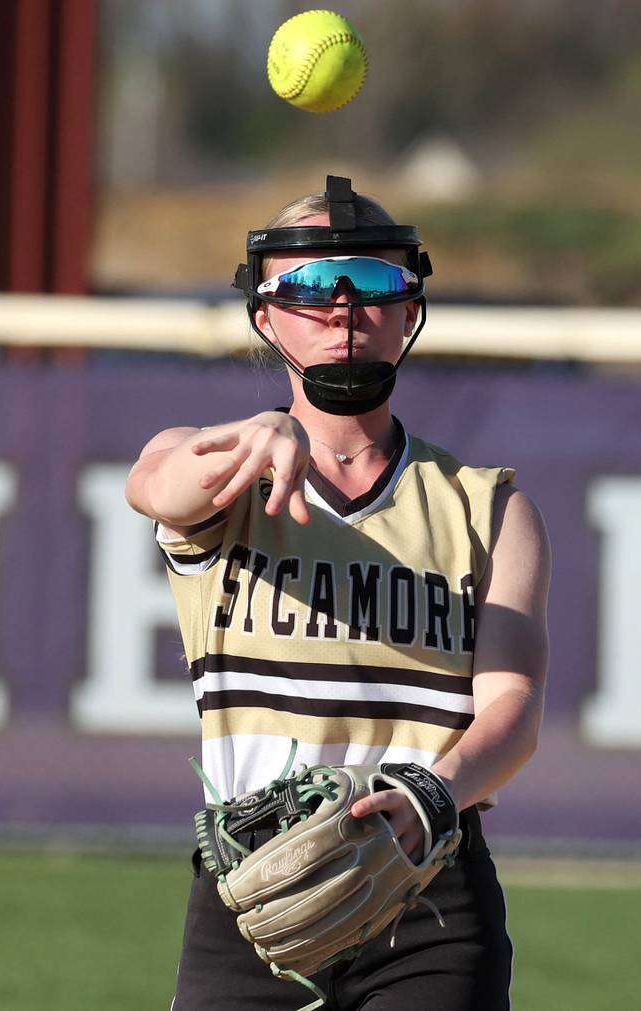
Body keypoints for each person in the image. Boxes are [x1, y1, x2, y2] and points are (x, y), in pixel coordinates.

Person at [126, 176, 551, 1011]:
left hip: (428, 889)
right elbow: (157, 482)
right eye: (314, 284)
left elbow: (516, 707)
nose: (344, 307)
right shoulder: (221, 477)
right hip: (251, 888)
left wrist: (435, 794)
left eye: (377, 282)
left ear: (408, 311)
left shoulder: (489, 505)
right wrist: (255, 436)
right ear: (265, 314)